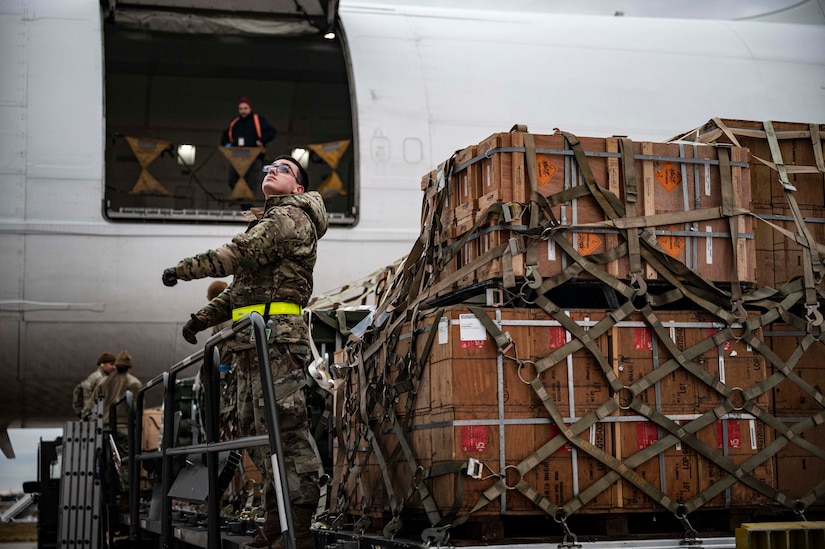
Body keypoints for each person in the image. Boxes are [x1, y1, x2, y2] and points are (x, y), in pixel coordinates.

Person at [161, 155, 328, 549]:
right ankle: (274, 526)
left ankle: (298, 532)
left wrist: (181, 270)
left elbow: (235, 254)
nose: (271, 170)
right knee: (261, 438)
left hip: (277, 342)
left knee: (287, 436)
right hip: (253, 344)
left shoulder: (289, 218)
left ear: (299, 188)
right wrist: (200, 320)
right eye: (268, 167)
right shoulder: (270, 220)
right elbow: (238, 292)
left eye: (284, 169)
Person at [220, 97, 276, 192]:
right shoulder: (235, 123)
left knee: (251, 182)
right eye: (241, 109)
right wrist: (227, 144)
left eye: (245, 109)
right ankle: (240, 197)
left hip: (254, 156)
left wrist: (261, 140)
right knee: (232, 180)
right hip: (237, 156)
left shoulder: (258, 120)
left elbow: (271, 132)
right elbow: (225, 136)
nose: (243, 111)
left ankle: (247, 203)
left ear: (250, 109)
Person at [91, 350, 142, 453]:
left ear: (116, 365)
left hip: (105, 428)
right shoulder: (134, 383)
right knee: (126, 462)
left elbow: (94, 403)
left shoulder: (103, 383)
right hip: (124, 427)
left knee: (108, 461)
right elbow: (137, 409)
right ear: (130, 367)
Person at [72, 352, 117, 418]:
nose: (114, 367)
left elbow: (78, 389)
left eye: (115, 365)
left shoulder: (96, 376)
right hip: (96, 416)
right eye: (112, 364)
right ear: (102, 365)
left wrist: (80, 412)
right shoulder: (99, 378)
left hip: (93, 415)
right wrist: (81, 412)